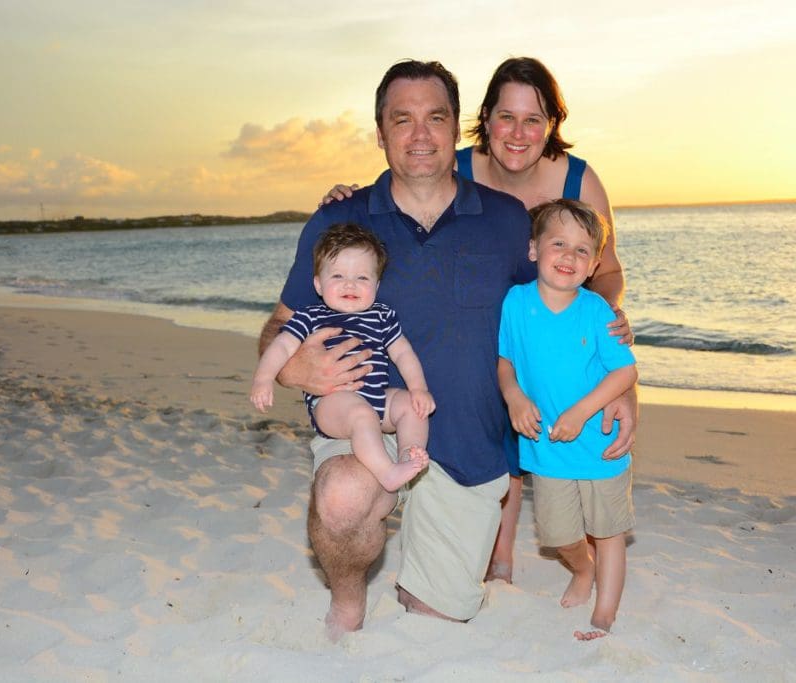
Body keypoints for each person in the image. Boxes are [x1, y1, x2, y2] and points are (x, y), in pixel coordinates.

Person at [259, 59, 636, 639]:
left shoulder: (510, 221)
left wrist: (620, 392)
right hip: (372, 416)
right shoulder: (341, 219)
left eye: (435, 118)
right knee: (340, 499)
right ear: (379, 132)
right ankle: (348, 599)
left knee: (437, 613)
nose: (419, 134)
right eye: (401, 120)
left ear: (456, 127)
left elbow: (570, 317)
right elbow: (280, 324)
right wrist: (293, 368)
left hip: (469, 444)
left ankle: (426, 557)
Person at [498, 199, 637, 640]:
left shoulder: (597, 311)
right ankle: (583, 569)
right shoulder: (516, 303)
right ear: (534, 249)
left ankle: (605, 613)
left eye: (582, 250)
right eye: (559, 243)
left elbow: (625, 370)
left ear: (595, 263)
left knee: (609, 530)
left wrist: (581, 411)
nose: (569, 257)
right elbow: (505, 361)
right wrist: (514, 396)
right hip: (547, 448)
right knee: (559, 535)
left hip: (599, 441)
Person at [250, 222, 433, 493]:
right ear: (318, 285)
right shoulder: (311, 316)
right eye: (337, 276)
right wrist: (264, 379)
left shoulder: (382, 315)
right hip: (332, 404)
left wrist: (419, 389)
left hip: (377, 398)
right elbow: (282, 347)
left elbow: (403, 353)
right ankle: (387, 472)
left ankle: (408, 454)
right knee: (360, 414)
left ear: (376, 284)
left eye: (362, 278)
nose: (350, 284)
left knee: (410, 406)